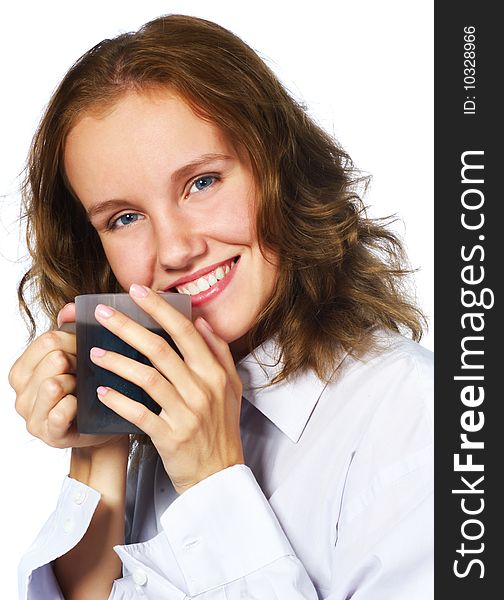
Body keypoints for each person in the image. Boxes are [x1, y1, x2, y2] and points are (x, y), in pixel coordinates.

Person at [10, 14, 433, 600]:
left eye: (202, 183)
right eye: (125, 218)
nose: (176, 249)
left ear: (277, 170)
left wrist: (212, 482)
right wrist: (99, 450)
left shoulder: (417, 421)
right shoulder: (162, 411)